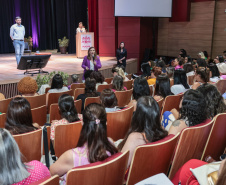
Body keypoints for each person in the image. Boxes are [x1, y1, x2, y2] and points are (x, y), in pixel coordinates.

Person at [50, 103, 118, 183]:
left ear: (82, 123)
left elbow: (51, 172)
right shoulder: (111, 144)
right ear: (106, 123)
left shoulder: (70, 156)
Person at [118, 96, 168, 167]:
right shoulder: (163, 132)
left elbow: (121, 166)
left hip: (135, 176)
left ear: (138, 115)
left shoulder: (135, 137)